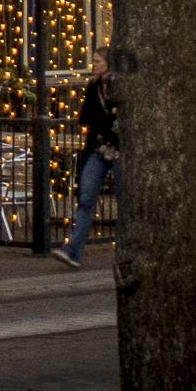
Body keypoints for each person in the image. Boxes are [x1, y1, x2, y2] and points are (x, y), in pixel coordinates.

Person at [58, 64, 120, 266]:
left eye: (100, 61)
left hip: (120, 149)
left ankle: (128, 248)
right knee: (86, 199)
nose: (95, 65)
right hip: (97, 148)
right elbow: (84, 117)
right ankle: (73, 250)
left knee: (125, 200)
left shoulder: (121, 84)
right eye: (93, 60)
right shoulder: (94, 87)